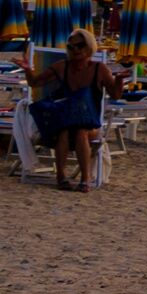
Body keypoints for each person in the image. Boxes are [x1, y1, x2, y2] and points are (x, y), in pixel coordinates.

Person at [33, 25, 117, 191]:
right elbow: (34, 83)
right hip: (65, 120)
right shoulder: (62, 66)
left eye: (80, 46)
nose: (75, 50)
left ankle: (85, 179)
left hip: (89, 123)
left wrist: (119, 80)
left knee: (81, 131)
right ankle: (61, 176)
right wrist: (28, 70)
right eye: (71, 47)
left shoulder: (99, 69)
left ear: (89, 46)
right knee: (65, 131)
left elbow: (115, 94)